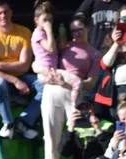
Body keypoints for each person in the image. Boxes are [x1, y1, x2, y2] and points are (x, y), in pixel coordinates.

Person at [43, 15, 101, 159]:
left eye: (80, 30)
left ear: (87, 29)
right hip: (53, 90)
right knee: (50, 138)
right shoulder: (64, 46)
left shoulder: (94, 53)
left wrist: (73, 83)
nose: (76, 33)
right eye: (73, 30)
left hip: (74, 94)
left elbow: (91, 82)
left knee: (76, 136)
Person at [0, 0, 39, 141]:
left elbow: (25, 65)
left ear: (11, 13)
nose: (3, 16)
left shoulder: (24, 32)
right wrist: (15, 80)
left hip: (22, 76)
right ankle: (9, 123)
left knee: (45, 85)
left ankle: (24, 122)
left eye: (6, 12)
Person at [32, 3, 83, 132]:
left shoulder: (45, 34)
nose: (48, 23)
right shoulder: (39, 34)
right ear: (36, 20)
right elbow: (50, 49)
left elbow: (55, 50)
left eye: (50, 20)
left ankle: (70, 115)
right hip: (47, 71)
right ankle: (73, 108)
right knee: (76, 82)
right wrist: (49, 30)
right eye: (44, 20)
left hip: (51, 70)